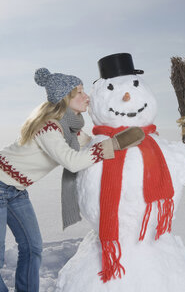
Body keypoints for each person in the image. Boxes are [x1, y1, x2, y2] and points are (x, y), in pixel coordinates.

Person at [0, 68, 144, 292]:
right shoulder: (47, 127)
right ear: (64, 98)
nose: (86, 96)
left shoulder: (69, 129)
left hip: (15, 190)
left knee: (33, 247)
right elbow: (74, 162)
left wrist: (121, 134)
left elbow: (89, 145)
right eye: (79, 92)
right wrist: (113, 145)